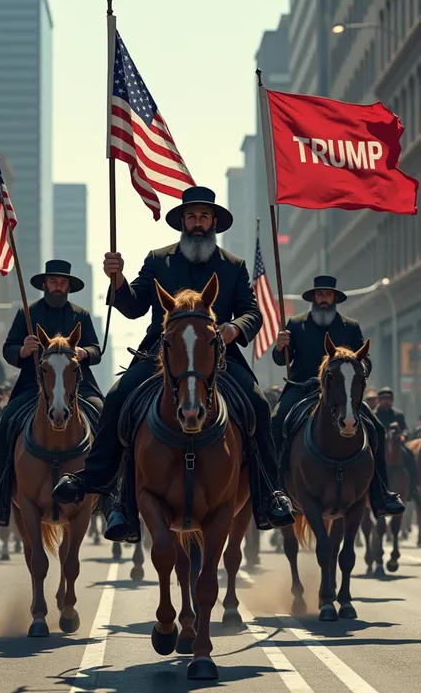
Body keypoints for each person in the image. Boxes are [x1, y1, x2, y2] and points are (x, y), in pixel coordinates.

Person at [54, 185, 294, 542]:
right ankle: (103, 487)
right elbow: (134, 306)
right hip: (159, 355)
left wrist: (233, 329)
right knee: (117, 397)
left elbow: (252, 313)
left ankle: (270, 494)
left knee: (258, 404)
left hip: (218, 357)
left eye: (204, 217)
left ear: (214, 222)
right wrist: (117, 280)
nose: (198, 223)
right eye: (192, 217)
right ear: (183, 221)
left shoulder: (233, 266)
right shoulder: (158, 259)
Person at [0, 259, 104, 527]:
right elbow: (8, 348)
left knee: (107, 420)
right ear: (45, 285)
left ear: (69, 286)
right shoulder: (27, 313)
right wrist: (22, 350)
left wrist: (83, 352)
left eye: (63, 283)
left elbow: (95, 349)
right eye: (54, 282)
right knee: (1, 430)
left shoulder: (80, 314)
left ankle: (112, 497)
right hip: (32, 387)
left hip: (78, 388)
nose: (58, 287)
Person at [271, 275, 405, 518]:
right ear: (313, 298)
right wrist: (280, 346)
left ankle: (381, 493)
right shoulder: (296, 323)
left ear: (335, 298)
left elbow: (366, 361)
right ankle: (276, 491)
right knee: (275, 421)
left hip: (342, 393)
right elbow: (282, 361)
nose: (323, 299)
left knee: (377, 428)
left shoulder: (350, 326)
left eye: (328, 295)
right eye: (319, 295)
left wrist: (355, 369)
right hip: (302, 388)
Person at [375, 387, 418, 498]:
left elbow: (405, 429)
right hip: (379, 446)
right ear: (379, 400)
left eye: (389, 398)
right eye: (384, 398)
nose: (386, 401)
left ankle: (413, 486)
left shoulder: (398, 414)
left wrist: (403, 435)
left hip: (396, 445)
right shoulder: (374, 414)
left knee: (409, 454)